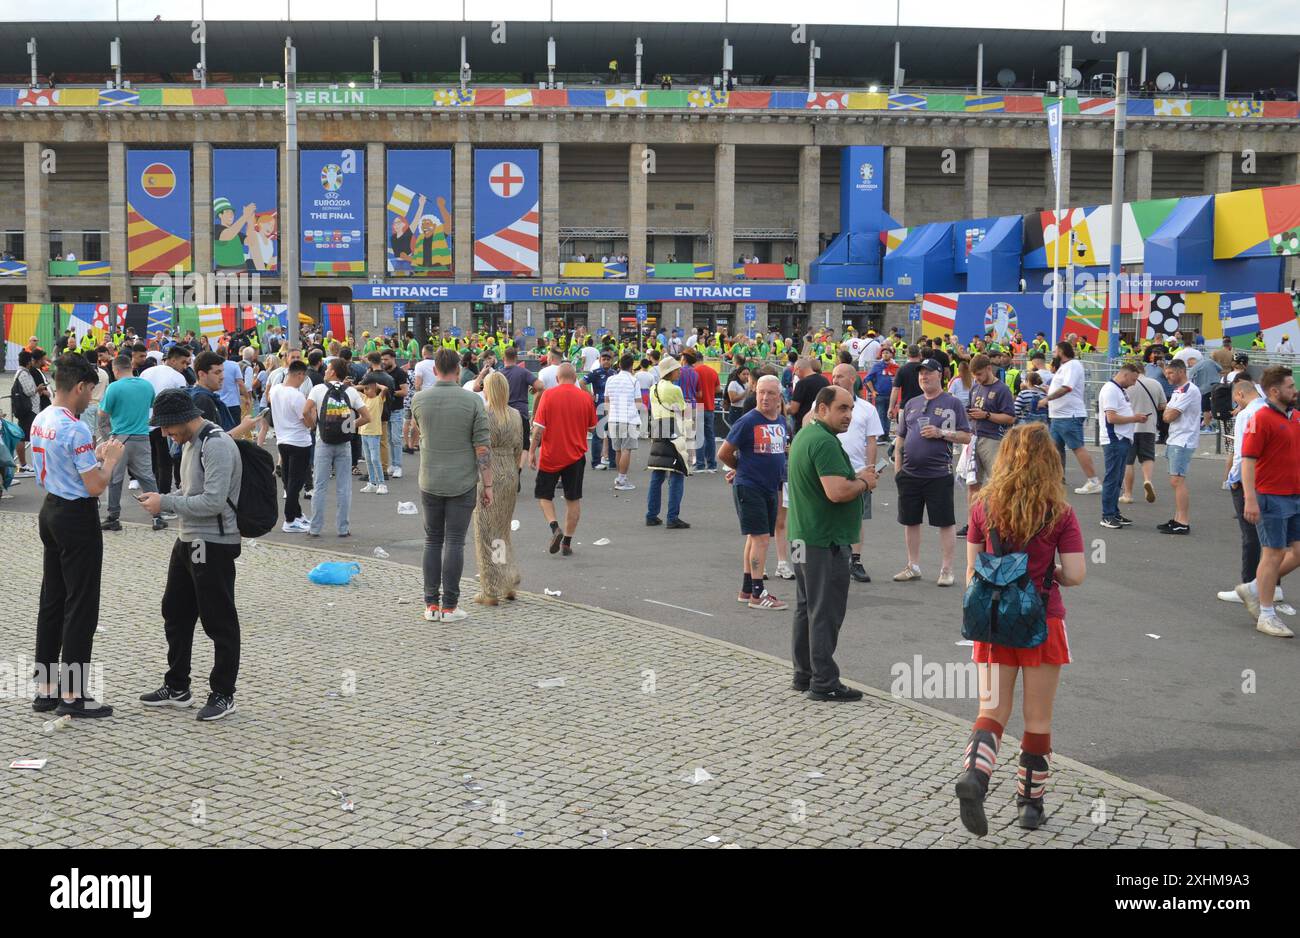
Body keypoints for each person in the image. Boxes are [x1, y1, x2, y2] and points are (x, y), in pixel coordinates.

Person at [954, 422, 1086, 836]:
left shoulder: (983, 507)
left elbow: (972, 571)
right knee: (1038, 718)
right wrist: (1051, 573)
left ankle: (975, 776)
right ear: (1050, 462)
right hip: (1042, 622)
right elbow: (1077, 574)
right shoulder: (1059, 511)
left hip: (993, 623)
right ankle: (1030, 805)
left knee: (991, 711)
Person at [134, 388, 244, 721]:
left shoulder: (217, 445)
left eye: (167, 427)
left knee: (218, 619)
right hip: (189, 539)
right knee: (175, 611)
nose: (165, 434)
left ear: (183, 419)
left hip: (213, 543)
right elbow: (190, 492)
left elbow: (212, 501)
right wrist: (165, 498)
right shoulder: (191, 443)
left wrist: (165, 503)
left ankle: (224, 693)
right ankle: (177, 685)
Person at [30, 354, 125, 718]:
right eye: (92, 391)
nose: (93, 399)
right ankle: (73, 695)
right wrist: (111, 459)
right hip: (75, 515)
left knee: (52, 599)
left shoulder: (43, 418)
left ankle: (45, 690)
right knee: (81, 603)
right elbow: (94, 486)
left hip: (51, 507)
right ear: (81, 387)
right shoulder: (75, 427)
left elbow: (67, 467)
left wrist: (95, 459)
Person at [787, 385, 873, 702]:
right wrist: (865, 481)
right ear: (822, 409)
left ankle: (804, 673)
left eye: (851, 408)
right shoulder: (823, 441)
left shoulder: (805, 436)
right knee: (824, 610)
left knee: (805, 607)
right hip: (822, 540)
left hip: (801, 536)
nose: (849, 415)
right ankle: (823, 681)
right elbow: (836, 491)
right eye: (842, 408)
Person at [411, 348, 492, 623]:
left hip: (430, 479)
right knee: (455, 541)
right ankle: (450, 606)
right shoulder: (472, 402)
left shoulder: (420, 400)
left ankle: (430, 605)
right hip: (462, 481)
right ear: (459, 370)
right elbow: (482, 447)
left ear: (434, 370)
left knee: (432, 540)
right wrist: (488, 485)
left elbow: (421, 433)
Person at [892, 358, 971, 586]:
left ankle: (946, 569)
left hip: (938, 472)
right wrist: (898, 468)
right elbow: (901, 437)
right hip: (910, 473)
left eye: (928, 373)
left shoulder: (952, 403)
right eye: (921, 373)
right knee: (910, 520)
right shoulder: (912, 403)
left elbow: (967, 436)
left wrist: (941, 433)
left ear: (940, 375)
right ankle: (912, 565)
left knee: (945, 522)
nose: (923, 377)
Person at [1236, 366, 1300, 638]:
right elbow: (1248, 461)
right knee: (1272, 553)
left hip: (1294, 495)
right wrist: (1250, 499)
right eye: (1289, 386)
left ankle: (1253, 587)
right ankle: (1266, 613)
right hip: (1270, 495)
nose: (1294, 390)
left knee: (1297, 552)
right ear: (1275, 391)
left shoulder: (1295, 417)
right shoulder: (1260, 418)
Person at [719, 374, 789, 610]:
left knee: (755, 537)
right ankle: (758, 594)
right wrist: (741, 470)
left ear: (779, 396)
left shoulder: (780, 422)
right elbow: (724, 453)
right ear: (755, 393)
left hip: (770, 487)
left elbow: (779, 454)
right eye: (761, 392)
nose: (765, 397)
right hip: (750, 487)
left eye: (770, 393)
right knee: (760, 539)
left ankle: (747, 589)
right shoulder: (748, 421)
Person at [530, 363, 597, 556]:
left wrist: (532, 451)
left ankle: (554, 527)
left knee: (544, 496)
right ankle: (567, 542)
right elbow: (592, 428)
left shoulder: (548, 395)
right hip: (575, 456)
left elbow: (539, 429)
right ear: (575, 378)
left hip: (551, 455)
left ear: (558, 378)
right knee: (573, 499)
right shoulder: (585, 397)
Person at [1218, 374, 1272, 611]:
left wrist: (1233, 479)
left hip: (1248, 480)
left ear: (1240, 394)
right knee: (1270, 540)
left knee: (1250, 538)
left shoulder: (1246, 414)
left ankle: (1249, 584)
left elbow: (1242, 452)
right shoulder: (1270, 410)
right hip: (1269, 480)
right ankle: (1272, 585)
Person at [99, 354, 167, 533]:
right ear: (130, 366)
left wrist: (108, 440)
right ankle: (157, 517)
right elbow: (154, 408)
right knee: (147, 477)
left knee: (115, 479)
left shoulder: (114, 387)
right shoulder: (146, 385)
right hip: (142, 437)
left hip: (120, 438)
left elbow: (102, 416)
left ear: (115, 370)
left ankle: (113, 517)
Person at [473, 372, 524, 604]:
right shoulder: (515, 415)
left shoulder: (483, 413)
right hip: (510, 473)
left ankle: (490, 589)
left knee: (485, 532)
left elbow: (478, 445)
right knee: (502, 531)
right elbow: (518, 447)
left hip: (489, 473)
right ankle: (507, 580)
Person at [829, 363, 882, 583]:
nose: (834, 379)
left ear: (852, 379)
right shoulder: (821, 405)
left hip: (858, 470)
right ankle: (831, 560)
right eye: (833, 376)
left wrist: (869, 470)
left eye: (839, 376)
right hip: (829, 470)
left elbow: (872, 442)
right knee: (829, 515)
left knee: (856, 518)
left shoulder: (867, 409)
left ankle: (856, 561)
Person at [307, 358, 369, 537]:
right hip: (344, 444)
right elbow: (366, 416)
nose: (325, 371)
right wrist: (348, 425)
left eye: (328, 369)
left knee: (320, 487)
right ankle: (343, 528)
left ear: (333, 372)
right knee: (344, 487)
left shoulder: (318, 389)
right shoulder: (350, 391)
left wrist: (313, 426)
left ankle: (315, 528)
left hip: (323, 442)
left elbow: (305, 411)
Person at [958, 354, 1016, 538]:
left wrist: (987, 415)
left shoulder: (1002, 389)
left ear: (989, 369)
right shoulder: (975, 387)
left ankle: (1000, 523)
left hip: (993, 440)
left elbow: (1010, 418)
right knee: (973, 483)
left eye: (980, 374)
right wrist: (970, 414)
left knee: (997, 483)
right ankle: (972, 523)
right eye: (975, 375)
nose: (977, 378)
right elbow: (973, 409)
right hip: (975, 437)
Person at [261, 359, 315, 533]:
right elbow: (308, 423)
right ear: (299, 375)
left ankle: (296, 514)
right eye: (303, 377)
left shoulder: (276, 390)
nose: (303, 380)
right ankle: (290, 519)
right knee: (295, 483)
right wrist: (312, 413)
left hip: (282, 440)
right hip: (299, 441)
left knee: (288, 480)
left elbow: (269, 398)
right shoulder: (297, 396)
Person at [1043, 341, 1101, 494]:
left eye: (1055, 350)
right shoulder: (1065, 367)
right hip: (1058, 416)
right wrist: (1049, 391)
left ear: (1061, 351)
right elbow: (1063, 387)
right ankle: (1057, 478)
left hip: (1068, 415)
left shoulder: (1072, 365)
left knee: (1077, 447)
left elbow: (1067, 388)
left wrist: (1047, 399)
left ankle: (1093, 481)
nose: (1053, 353)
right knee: (1056, 449)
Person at [1097, 363, 1148, 529]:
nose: (1134, 383)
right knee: (1113, 478)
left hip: (1121, 438)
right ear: (1126, 375)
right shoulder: (1111, 390)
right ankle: (1107, 515)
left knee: (1117, 478)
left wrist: (1133, 418)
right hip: (1115, 439)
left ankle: (1113, 512)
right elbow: (1111, 418)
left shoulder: (1119, 390)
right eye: (1133, 379)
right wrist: (1134, 419)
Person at [645, 355, 690, 529]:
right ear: (671, 372)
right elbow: (683, 411)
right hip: (673, 429)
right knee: (678, 473)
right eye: (677, 369)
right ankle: (673, 516)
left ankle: (651, 514)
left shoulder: (653, 388)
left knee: (657, 473)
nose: (679, 371)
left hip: (658, 428)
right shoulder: (675, 390)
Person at [142, 344, 191, 495]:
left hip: (145, 423)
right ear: (173, 360)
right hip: (168, 425)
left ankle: (153, 495)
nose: (185, 366)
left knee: (151, 463)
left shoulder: (146, 372)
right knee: (166, 463)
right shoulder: (178, 377)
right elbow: (183, 403)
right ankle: (163, 498)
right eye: (183, 362)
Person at [1159, 357, 1201, 535]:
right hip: (1176, 438)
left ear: (1181, 372)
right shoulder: (1179, 390)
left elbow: (1169, 416)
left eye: (1170, 373)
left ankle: (1183, 521)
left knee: (1178, 480)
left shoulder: (1189, 391)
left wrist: (1169, 412)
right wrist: (1168, 412)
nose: (1167, 376)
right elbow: (1167, 413)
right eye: (1166, 373)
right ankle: (1177, 518)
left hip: (1183, 439)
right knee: (1175, 480)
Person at [1120, 365, 1166, 505]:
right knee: (1147, 457)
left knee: (1128, 461)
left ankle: (1127, 494)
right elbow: (1163, 405)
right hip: (1148, 425)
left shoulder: (1124, 386)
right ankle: (1147, 481)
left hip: (1129, 427)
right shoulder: (1155, 383)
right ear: (1144, 371)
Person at [603, 353, 641, 491]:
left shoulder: (610, 380)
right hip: (628, 419)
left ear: (619, 365)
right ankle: (622, 479)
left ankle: (620, 478)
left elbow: (606, 401)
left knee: (618, 449)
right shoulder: (634, 380)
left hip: (613, 418)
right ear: (632, 366)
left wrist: (609, 415)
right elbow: (638, 403)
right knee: (626, 449)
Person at [581, 348, 617, 470]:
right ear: (600, 360)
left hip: (613, 407)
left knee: (612, 434)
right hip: (600, 407)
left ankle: (613, 462)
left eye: (608, 359)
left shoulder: (614, 373)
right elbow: (582, 382)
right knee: (599, 434)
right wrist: (589, 395)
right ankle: (596, 462)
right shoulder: (595, 373)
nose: (606, 361)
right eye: (604, 359)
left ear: (611, 361)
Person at [786, 357, 828, 438]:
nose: (795, 374)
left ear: (798, 369)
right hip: (821, 424)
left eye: (795, 371)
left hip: (803, 426)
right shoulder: (824, 380)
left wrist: (783, 408)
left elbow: (793, 409)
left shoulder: (802, 383)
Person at [357, 381, 388, 494]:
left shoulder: (379, 399)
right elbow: (353, 389)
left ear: (375, 390)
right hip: (364, 432)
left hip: (374, 433)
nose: (365, 390)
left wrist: (376, 384)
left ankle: (382, 483)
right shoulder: (364, 398)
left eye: (368, 388)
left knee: (375, 458)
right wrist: (364, 386)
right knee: (368, 459)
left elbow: (384, 389)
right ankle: (372, 483)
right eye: (364, 389)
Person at [692, 355, 721, 472]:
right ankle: (712, 464)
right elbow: (718, 389)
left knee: (699, 436)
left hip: (697, 406)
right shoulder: (713, 371)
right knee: (710, 436)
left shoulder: (694, 372)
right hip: (710, 406)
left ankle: (700, 464)